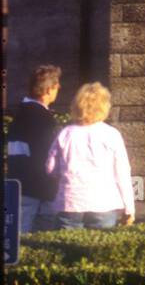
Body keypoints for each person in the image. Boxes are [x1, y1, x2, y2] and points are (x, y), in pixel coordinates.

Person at [45, 82, 135, 230]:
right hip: (104, 202)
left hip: (70, 202)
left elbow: (50, 168)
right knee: (100, 250)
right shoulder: (111, 134)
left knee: (68, 249)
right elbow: (122, 173)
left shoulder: (66, 133)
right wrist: (129, 208)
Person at [7, 65, 62, 232]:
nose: (58, 89)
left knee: (19, 235)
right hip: (40, 187)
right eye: (56, 86)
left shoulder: (20, 113)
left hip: (19, 182)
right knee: (42, 238)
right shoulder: (43, 118)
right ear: (48, 89)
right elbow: (46, 156)